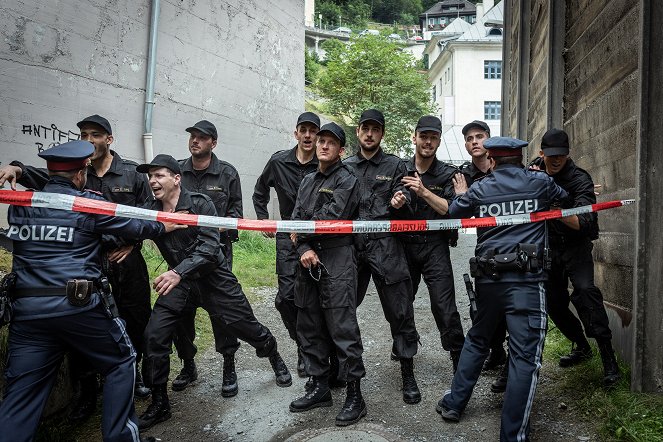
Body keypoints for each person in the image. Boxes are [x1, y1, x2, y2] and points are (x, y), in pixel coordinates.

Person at [0, 140, 179, 442]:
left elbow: (48, 194)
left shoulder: (21, 207)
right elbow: (134, 226)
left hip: (28, 315)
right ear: (82, 172)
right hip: (79, 308)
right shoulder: (88, 203)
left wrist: (19, 168)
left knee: (21, 394)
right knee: (121, 362)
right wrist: (165, 225)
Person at [136, 154, 291, 430]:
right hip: (180, 282)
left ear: (176, 178)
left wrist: (177, 271)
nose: (152, 181)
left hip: (213, 279)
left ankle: (272, 352)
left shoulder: (199, 203)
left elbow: (209, 248)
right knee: (155, 335)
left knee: (246, 326)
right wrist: (160, 225)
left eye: (158, 175)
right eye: (150, 176)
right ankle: (160, 402)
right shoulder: (150, 207)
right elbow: (134, 227)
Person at [435, 137, 568, 442]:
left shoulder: (481, 187)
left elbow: (456, 211)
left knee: (478, 339)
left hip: (489, 280)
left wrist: (461, 193)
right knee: (524, 357)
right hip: (527, 282)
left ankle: (454, 403)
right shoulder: (540, 183)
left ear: (492, 161)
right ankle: (513, 436)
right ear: (520, 160)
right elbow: (564, 196)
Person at [288, 122, 367, 426]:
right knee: (309, 325)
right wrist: (303, 247)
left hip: (337, 257)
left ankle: (355, 396)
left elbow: (332, 217)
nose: (322, 145)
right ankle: (320, 387)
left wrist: (303, 232)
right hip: (307, 258)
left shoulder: (348, 179)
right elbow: (296, 219)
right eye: (320, 140)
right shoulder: (307, 180)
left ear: (341, 150)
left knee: (342, 327)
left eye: (330, 142)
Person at [343, 109, 421, 404]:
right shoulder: (345, 165)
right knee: (343, 308)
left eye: (376, 129)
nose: (370, 133)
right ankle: (344, 371)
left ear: (381, 134)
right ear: (359, 132)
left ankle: (407, 372)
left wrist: (402, 200)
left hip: (385, 245)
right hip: (350, 247)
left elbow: (407, 192)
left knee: (400, 309)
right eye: (365, 128)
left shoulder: (395, 164)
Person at [532, 128, 620, 386]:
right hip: (547, 246)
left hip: (575, 246)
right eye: (551, 155)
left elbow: (584, 222)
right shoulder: (532, 171)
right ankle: (581, 346)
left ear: (568, 154)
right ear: (541, 154)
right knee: (553, 303)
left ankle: (608, 358)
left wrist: (553, 209)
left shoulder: (580, 179)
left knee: (585, 292)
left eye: (561, 155)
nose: (556, 160)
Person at [170, 120, 245, 397]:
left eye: (202, 138)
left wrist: (209, 225)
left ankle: (229, 366)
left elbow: (237, 216)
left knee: (221, 312)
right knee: (180, 312)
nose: (195, 141)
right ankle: (188, 365)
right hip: (180, 254)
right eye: (193, 137)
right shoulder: (176, 171)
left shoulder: (227, 173)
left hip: (217, 256)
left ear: (213, 143)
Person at [252, 112, 320, 378]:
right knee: (286, 298)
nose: (307, 135)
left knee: (314, 295)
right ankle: (303, 346)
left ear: (317, 136)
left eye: (312, 131)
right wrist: (263, 220)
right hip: (286, 235)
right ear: (296, 134)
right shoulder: (279, 161)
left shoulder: (323, 164)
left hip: (315, 235)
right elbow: (260, 191)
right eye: (303, 130)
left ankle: (317, 349)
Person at [401, 115, 465, 372]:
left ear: (439, 141)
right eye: (423, 136)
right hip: (404, 246)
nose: (427, 142)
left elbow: (450, 211)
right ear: (414, 137)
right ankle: (405, 351)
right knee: (402, 303)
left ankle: (458, 358)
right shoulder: (400, 170)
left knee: (444, 305)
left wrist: (424, 192)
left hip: (435, 246)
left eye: (433, 137)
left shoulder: (449, 174)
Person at [457, 120, 509, 376]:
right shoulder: (462, 176)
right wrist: (461, 195)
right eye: (469, 138)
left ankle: (511, 356)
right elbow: (458, 210)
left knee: (510, 303)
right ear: (466, 145)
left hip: (512, 242)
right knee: (485, 302)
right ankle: (496, 350)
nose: (475, 141)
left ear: (489, 139)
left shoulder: (505, 165)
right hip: (485, 244)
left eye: (479, 136)